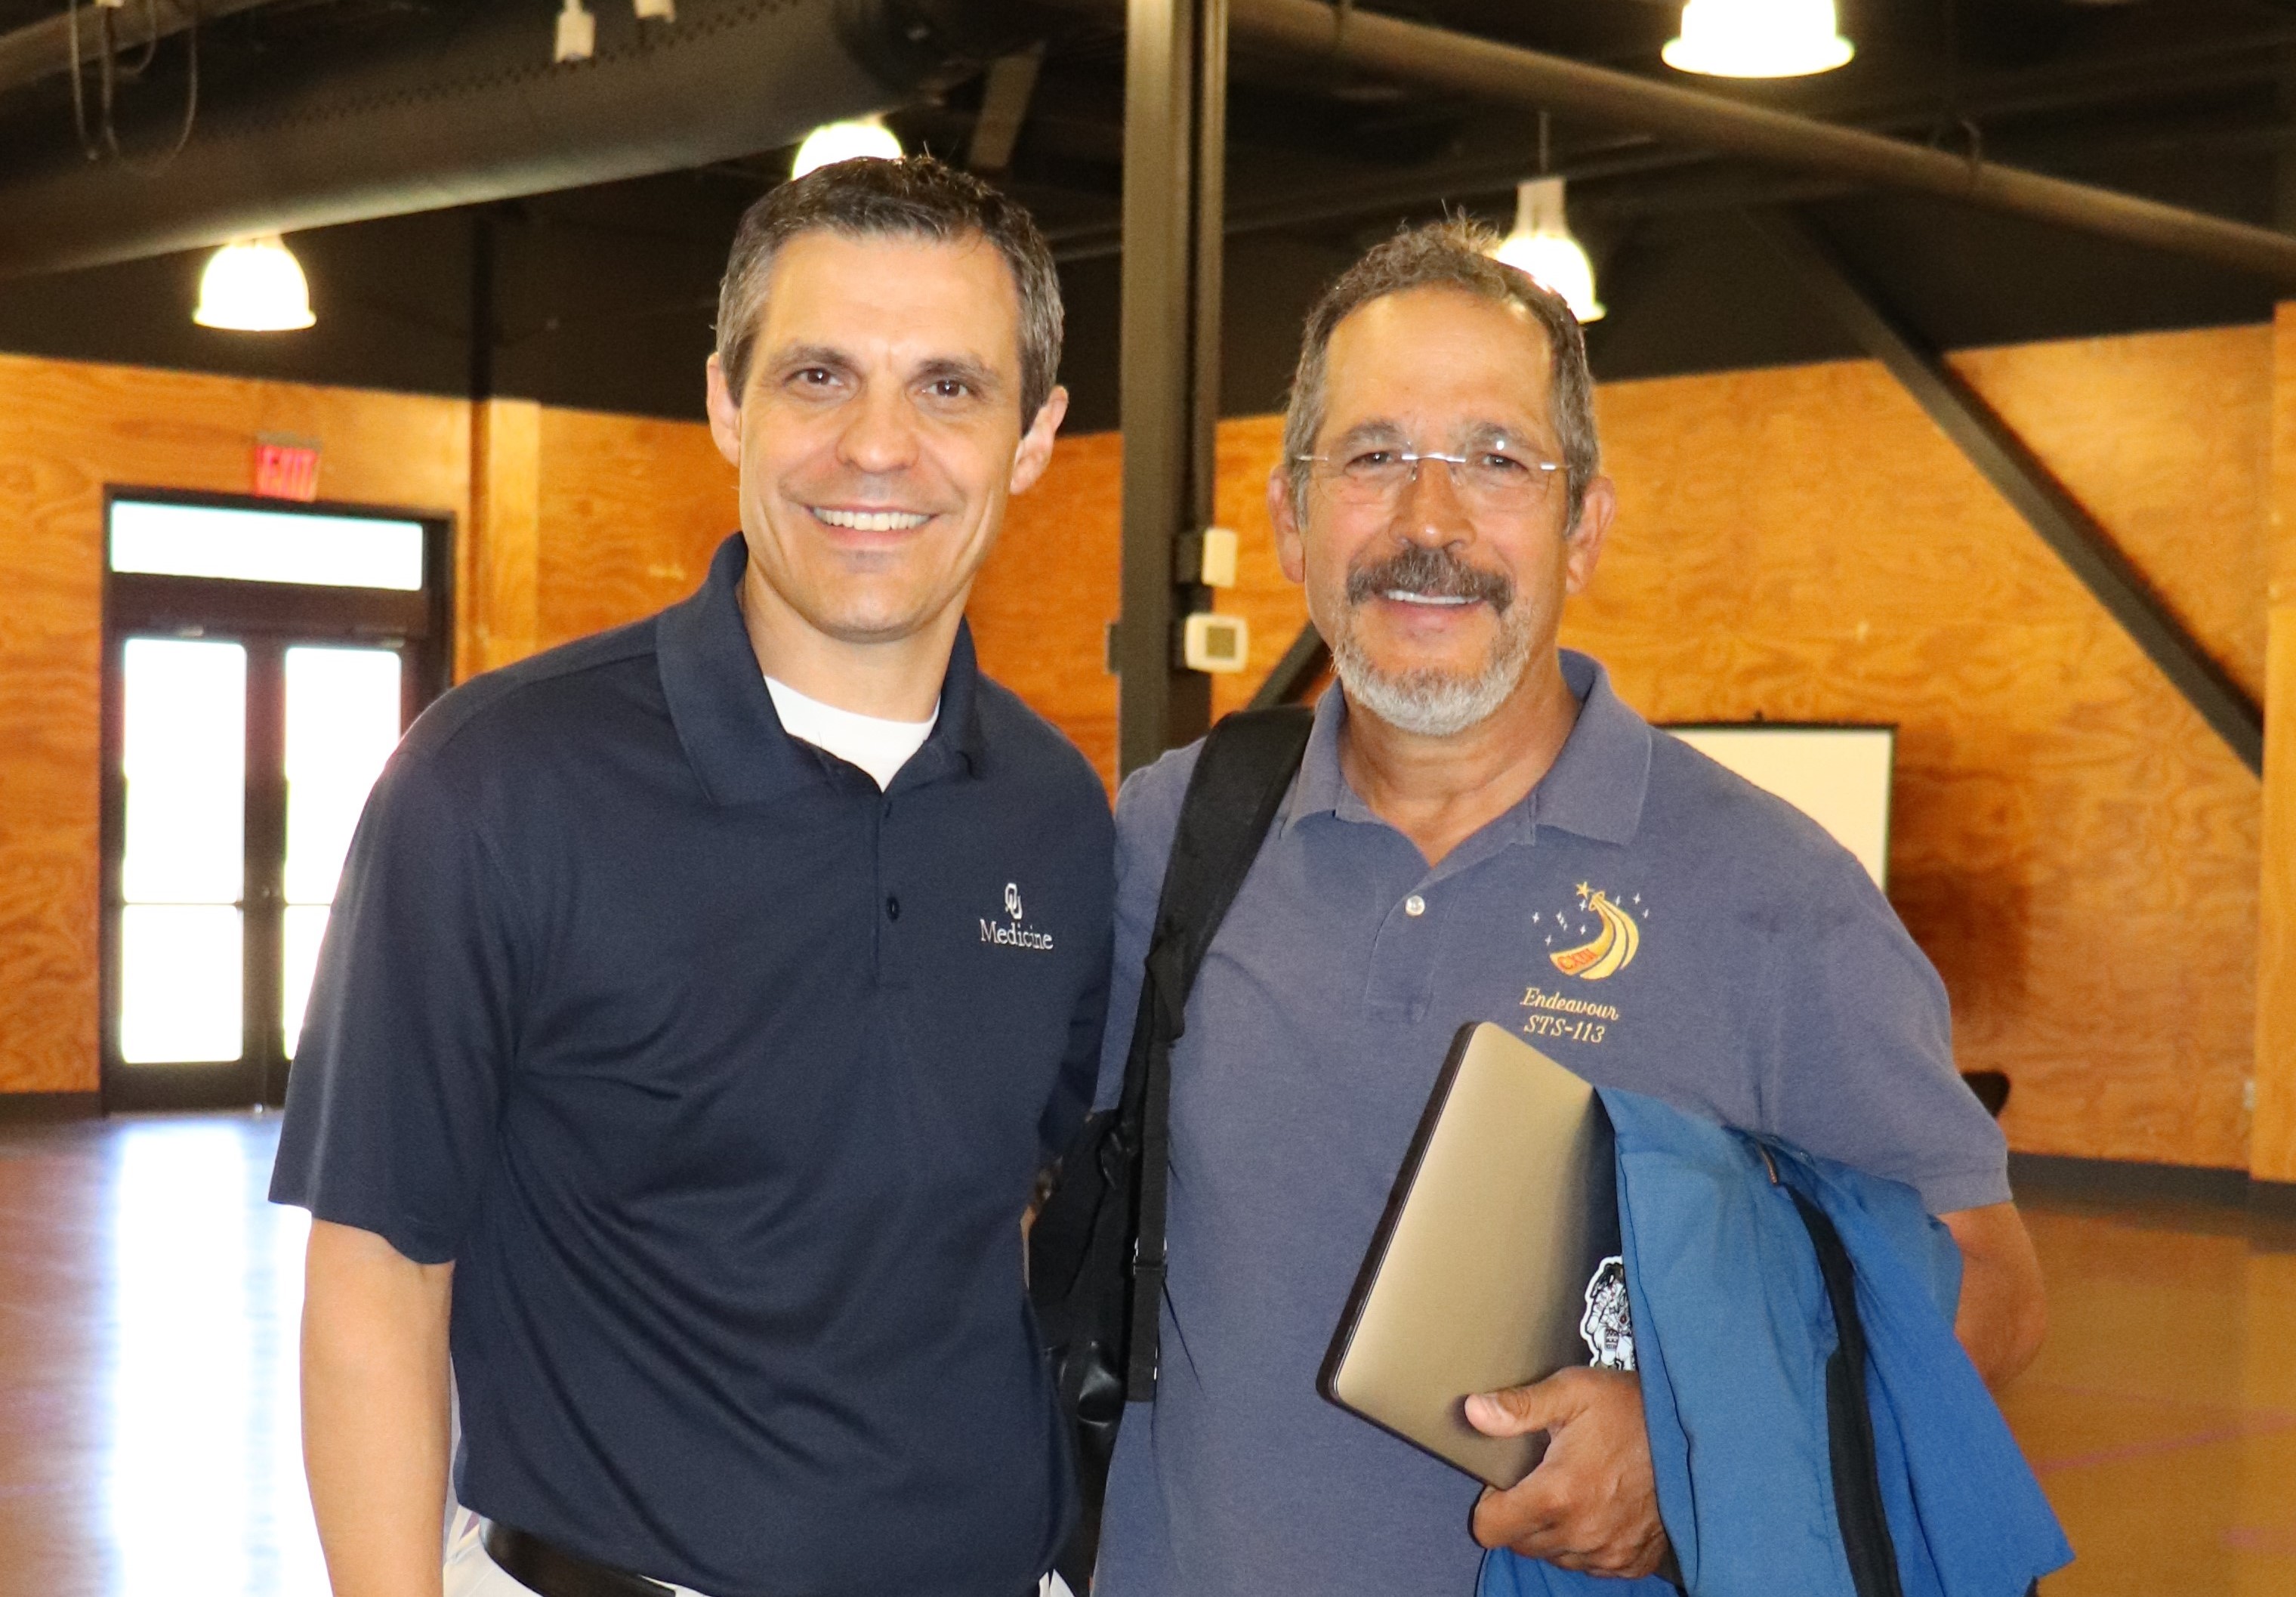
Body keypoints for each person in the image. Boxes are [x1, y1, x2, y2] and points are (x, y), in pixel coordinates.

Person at [1089, 221, 2048, 1596]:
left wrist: (1694, 1433)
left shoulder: (1771, 891)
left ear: (1583, 525)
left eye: (1496, 460)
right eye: (1373, 456)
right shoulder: (1171, 836)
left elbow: (1992, 1288)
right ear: (1293, 518)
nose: (1430, 522)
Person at [270, 156, 1112, 1597]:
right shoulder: (491, 783)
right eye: (817, 377)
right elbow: (374, 1282)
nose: (878, 446)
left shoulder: (1054, 813)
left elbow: (1013, 1206)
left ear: (1034, 435)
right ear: (727, 399)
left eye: (951, 389)